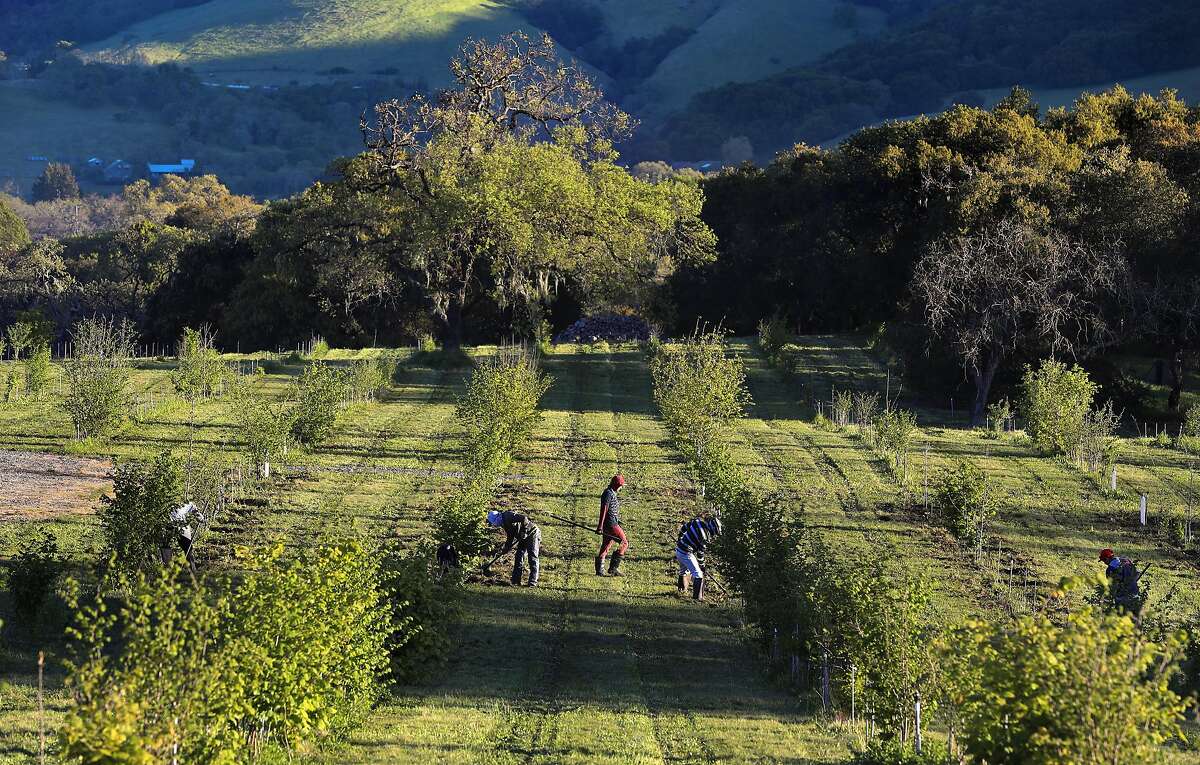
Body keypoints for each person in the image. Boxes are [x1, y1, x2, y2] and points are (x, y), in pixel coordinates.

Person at [487, 509, 541, 586]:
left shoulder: (507, 515)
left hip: (532, 533)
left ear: (496, 518)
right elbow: (510, 536)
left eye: (494, 523)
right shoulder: (503, 523)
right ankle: (515, 581)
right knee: (519, 557)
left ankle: (532, 582)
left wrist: (524, 531)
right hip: (522, 537)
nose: (494, 525)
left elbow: (524, 518)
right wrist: (506, 548)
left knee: (532, 557)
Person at [676, 516, 722, 601]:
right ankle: (697, 599)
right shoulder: (705, 537)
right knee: (698, 574)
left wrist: (680, 538)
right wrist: (703, 567)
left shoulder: (697, 522)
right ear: (713, 529)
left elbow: (684, 527)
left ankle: (681, 590)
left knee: (684, 570)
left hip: (679, 549)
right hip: (686, 553)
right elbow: (700, 555)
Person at [596, 474, 629, 576]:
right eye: (621, 486)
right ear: (617, 485)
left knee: (606, 545)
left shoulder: (610, 492)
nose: (621, 488)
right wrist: (600, 526)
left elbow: (611, 510)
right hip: (611, 524)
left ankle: (599, 570)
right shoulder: (608, 494)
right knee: (624, 543)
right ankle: (613, 569)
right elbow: (604, 510)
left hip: (609, 523)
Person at [161, 501, 205, 570]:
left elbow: (193, 508)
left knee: (188, 547)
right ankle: (168, 570)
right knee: (166, 545)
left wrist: (198, 515)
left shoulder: (186, 501)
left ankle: (192, 569)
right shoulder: (165, 501)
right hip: (168, 525)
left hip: (182, 525)